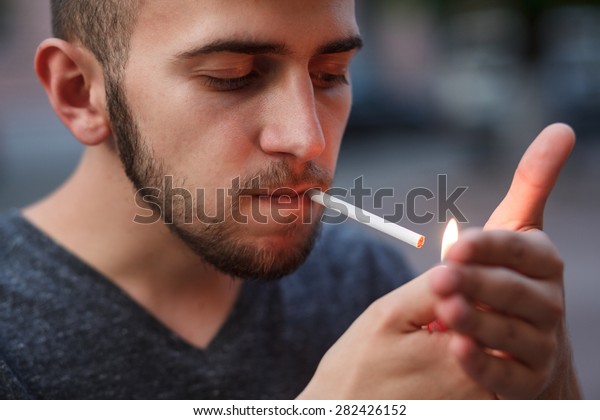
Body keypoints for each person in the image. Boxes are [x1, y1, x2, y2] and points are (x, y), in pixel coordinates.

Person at [0, 0, 581, 399]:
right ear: (79, 92)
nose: (308, 137)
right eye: (233, 76)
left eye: (331, 74)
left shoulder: (359, 278)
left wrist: (545, 385)